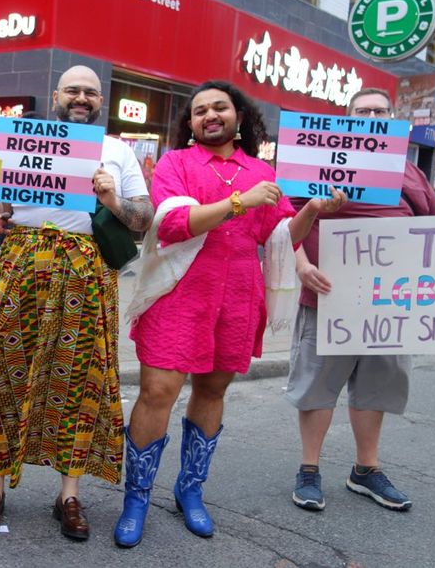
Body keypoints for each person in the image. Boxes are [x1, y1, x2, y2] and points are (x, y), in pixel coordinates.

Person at [114, 80, 346, 547]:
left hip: (238, 297)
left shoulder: (260, 169)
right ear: (191, 124)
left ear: (239, 117)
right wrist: (239, 201)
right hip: (179, 294)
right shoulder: (175, 164)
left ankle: (190, 489)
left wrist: (314, 210)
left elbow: (280, 236)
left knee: (213, 389)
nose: (209, 115)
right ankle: (136, 497)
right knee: (158, 391)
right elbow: (174, 224)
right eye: (199, 111)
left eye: (219, 107)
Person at [0, 65, 155, 541]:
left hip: (87, 276)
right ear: (56, 95)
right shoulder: (14, 141)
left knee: (81, 377)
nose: (82, 97)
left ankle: (68, 495)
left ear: (103, 100)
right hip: (20, 265)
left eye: (91, 92)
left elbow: (143, 218)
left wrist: (113, 200)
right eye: (73, 90)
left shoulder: (117, 150)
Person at [285, 87, 435, 514]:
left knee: (376, 388)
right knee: (317, 387)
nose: (372, 115)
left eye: (380, 110)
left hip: (390, 308)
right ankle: (309, 470)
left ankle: (365, 470)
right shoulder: (318, 163)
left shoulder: (410, 173)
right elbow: (286, 227)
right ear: (348, 118)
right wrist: (301, 263)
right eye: (362, 111)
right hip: (328, 299)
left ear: (391, 119)